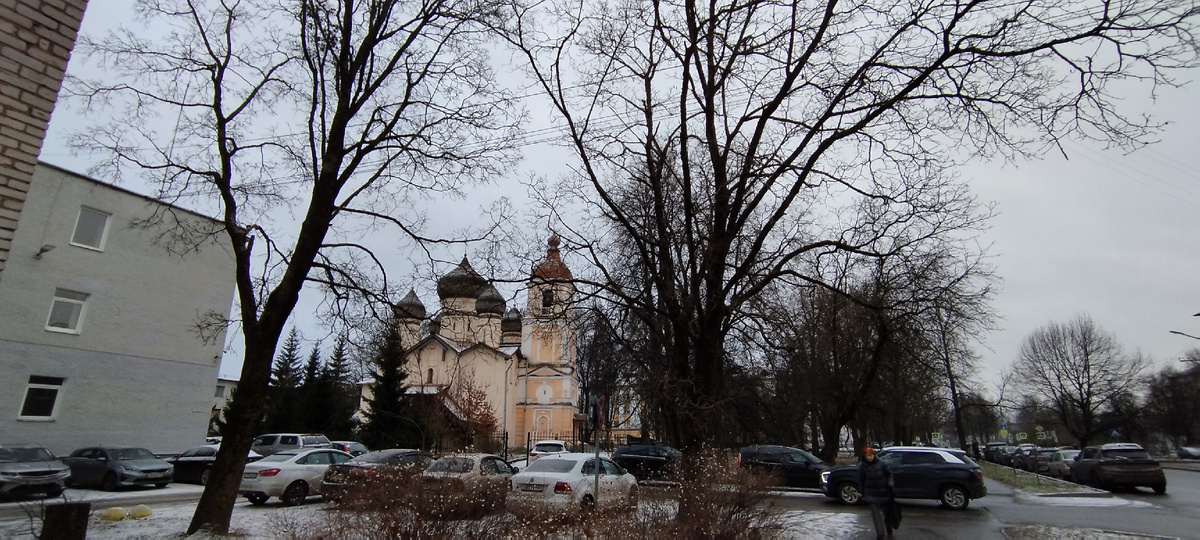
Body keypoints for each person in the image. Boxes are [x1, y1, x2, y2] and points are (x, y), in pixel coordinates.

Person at [857, 446, 894, 539]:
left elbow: (889, 475)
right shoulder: (863, 466)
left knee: (887, 514)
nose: (869, 458)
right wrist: (860, 491)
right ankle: (880, 534)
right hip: (871, 494)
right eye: (867, 456)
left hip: (884, 492)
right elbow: (861, 479)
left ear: (874, 455)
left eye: (870, 455)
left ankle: (889, 527)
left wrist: (890, 484)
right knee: (876, 516)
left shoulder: (882, 464)